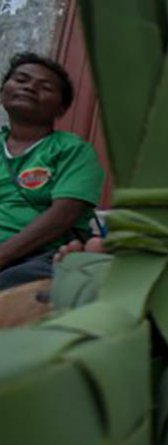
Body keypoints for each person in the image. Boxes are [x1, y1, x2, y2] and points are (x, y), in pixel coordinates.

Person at [0, 52, 104, 291]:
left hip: (41, 255)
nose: (29, 88)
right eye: (21, 79)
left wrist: (2, 255)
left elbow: (64, 215)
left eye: (45, 87)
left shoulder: (72, 150)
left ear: (61, 108)